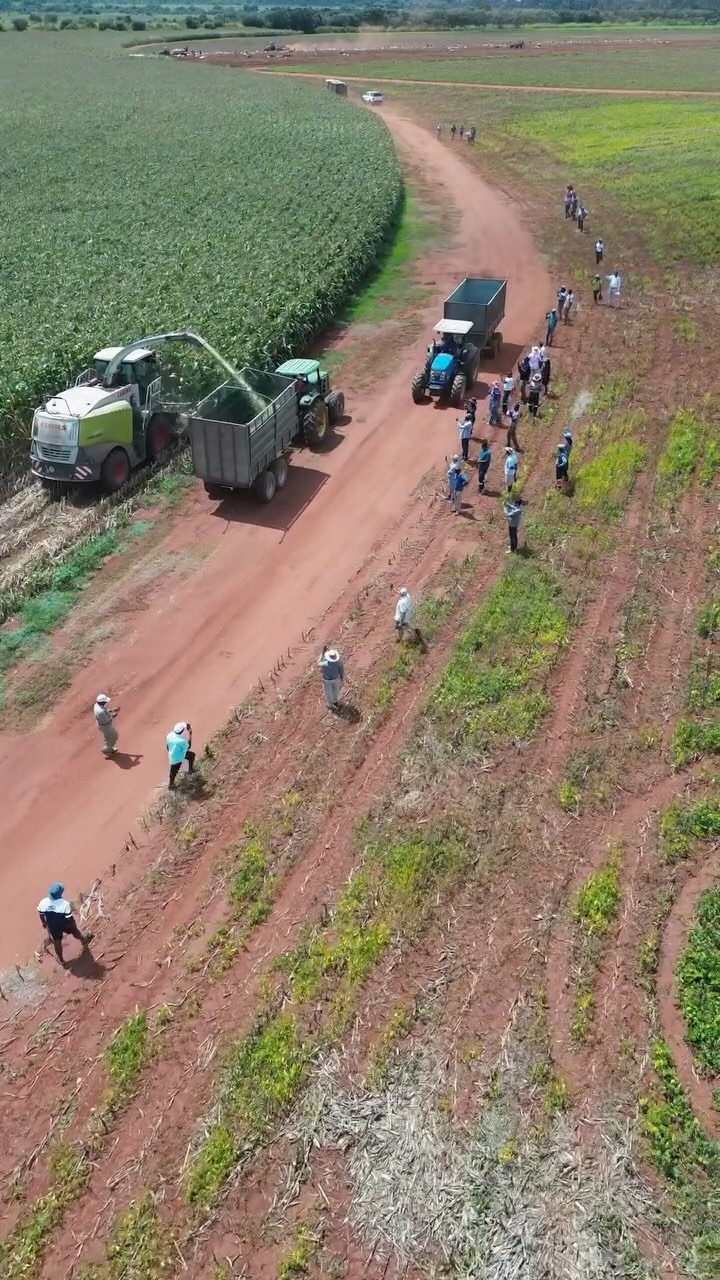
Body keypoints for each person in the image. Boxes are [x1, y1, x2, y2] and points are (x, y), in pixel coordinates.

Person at [37, 882, 93, 965]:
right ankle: (83, 940)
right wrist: (72, 925)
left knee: (57, 941)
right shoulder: (65, 904)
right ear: (60, 893)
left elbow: (41, 914)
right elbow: (68, 918)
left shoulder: (43, 902)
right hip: (65, 924)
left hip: (52, 925)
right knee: (75, 932)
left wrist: (44, 923)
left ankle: (61, 960)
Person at [166, 720, 195, 790]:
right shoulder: (181, 741)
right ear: (182, 731)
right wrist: (190, 733)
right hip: (177, 758)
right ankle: (171, 785)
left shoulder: (169, 735)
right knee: (174, 771)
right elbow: (189, 746)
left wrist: (187, 726)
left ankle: (171, 784)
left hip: (172, 755)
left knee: (191, 755)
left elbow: (167, 746)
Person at [317, 645, 344, 710]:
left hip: (327, 680)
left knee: (329, 693)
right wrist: (341, 676)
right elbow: (341, 670)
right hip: (336, 679)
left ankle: (331, 704)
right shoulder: (338, 663)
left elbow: (319, 662)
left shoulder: (325, 664)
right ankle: (335, 701)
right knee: (336, 691)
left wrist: (323, 653)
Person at [94, 693, 119, 757]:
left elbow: (105, 711)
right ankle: (108, 750)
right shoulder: (100, 712)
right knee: (114, 736)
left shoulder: (96, 704)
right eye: (105, 701)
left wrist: (112, 710)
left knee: (107, 736)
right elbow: (107, 720)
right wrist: (114, 715)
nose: (106, 702)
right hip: (105, 726)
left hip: (101, 725)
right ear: (102, 702)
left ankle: (106, 748)